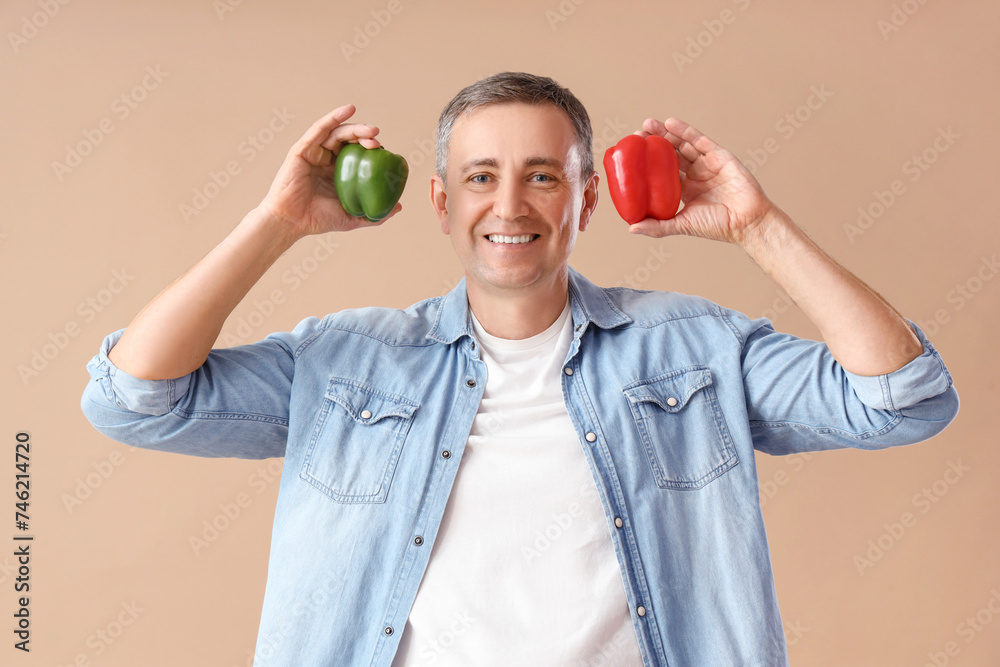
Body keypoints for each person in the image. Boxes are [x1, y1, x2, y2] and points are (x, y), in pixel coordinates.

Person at [80, 71, 959, 666]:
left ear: (586, 198)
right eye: (479, 177)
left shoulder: (694, 349)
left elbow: (902, 397)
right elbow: (135, 398)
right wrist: (276, 222)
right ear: (439, 200)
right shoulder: (348, 363)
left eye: (543, 176)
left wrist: (756, 226)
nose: (509, 206)